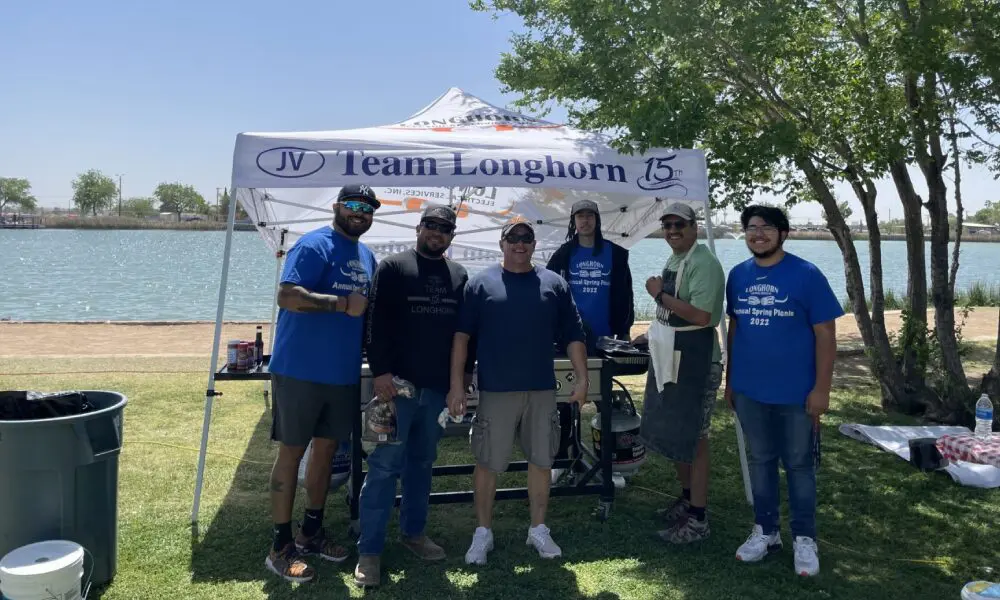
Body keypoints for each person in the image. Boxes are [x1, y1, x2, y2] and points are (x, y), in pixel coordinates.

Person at [447, 216, 589, 565]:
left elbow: (574, 335)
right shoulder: (480, 284)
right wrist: (456, 385)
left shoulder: (554, 284)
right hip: (495, 391)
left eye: (527, 238)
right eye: (513, 238)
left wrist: (583, 378)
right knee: (488, 463)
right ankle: (483, 533)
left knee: (541, 461)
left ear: (535, 244)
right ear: (502, 243)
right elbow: (462, 337)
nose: (520, 243)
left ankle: (538, 529)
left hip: (541, 390)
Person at [264, 183, 380, 583]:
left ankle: (310, 531)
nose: (359, 212)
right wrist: (340, 304)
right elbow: (287, 296)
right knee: (292, 454)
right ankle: (280, 546)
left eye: (367, 207)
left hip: (341, 373)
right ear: (337, 207)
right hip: (300, 369)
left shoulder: (367, 255)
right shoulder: (313, 246)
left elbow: (371, 312)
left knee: (327, 455)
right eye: (352, 204)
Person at [354, 205, 474, 587]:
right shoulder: (391, 267)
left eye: (445, 229)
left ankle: (414, 533)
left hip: (437, 391)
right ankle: (369, 551)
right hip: (395, 388)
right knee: (385, 466)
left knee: (422, 464)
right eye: (432, 226)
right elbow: (373, 324)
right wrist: (382, 372)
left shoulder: (459, 275)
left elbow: (465, 335)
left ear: (452, 236)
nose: (437, 233)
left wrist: (463, 380)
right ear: (419, 227)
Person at [725, 204, 842, 577]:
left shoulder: (806, 274)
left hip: (796, 394)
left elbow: (826, 334)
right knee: (760, 462)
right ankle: (766, 530)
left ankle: (804, 537)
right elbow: (735, 328)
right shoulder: (737, 276)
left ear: (783, 233)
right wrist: (731, 380)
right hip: (749, 391)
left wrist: (821, 389)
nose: (758, 234)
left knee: (799, 465)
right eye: (751, 228)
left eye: (766, 227)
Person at [632, 202, 725, 545]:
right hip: (672, 354)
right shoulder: (674, 260)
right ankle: (687, 499)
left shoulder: (705, 265)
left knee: (696, 438)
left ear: (694, 227)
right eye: (667, 226)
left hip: (697, 361)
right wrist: (651, 330)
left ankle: (699, 518)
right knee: (675, 432)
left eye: (679, 225)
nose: (672, 231)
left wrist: (659, 294)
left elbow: (702, 317)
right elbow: (672, 311)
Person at [545, 199, 635, 344]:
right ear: (573, 221)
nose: (585, 221)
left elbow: (627, 296)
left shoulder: (616, 254)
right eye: (580, 216)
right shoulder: (563, 254)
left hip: (608, 336)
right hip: (572, 335)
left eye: (589, 216)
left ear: (597, 220)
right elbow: (548, 291)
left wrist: (625, 331)